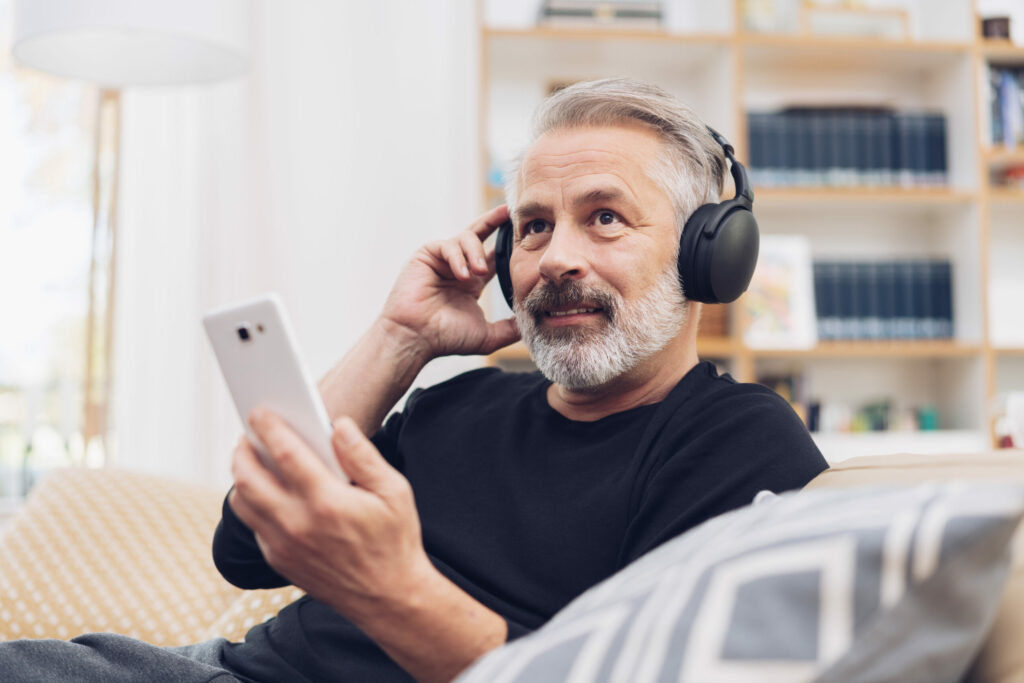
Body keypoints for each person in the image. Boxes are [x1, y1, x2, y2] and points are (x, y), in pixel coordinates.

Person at [0, 78, 827, 683]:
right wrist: (402, 338)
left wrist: (394, 588)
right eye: (533, 227)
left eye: (604, 217)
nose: (557, 258)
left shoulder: (740, 444)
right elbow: (244, 548)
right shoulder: (458, 401)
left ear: (706, 255)